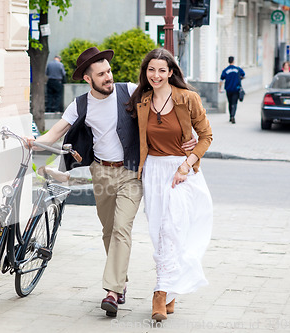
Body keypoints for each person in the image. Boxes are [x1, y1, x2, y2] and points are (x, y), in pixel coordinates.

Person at [29, 47, 196, 318]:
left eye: (109, 71)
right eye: (101, 74)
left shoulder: (129, 90)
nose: (108, 77)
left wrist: (189, 136)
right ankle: (122, 280)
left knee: (121, 229)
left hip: (130, 172)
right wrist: (34, 142)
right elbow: (57, 131)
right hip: (101, 173)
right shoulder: (80, 104)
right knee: (108, 232)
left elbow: (167, 100)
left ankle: (112, 291)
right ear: (88, 79)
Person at [126, 48, 213, 322]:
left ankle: (160, 294)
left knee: (171, 229)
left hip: (181, 172)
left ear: (171, 72)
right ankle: (172, 289)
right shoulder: (141, 100)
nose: (156, 75)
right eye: (151, 69)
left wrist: (186, 164)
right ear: (146, 72)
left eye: (162, 70)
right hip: (153, 170)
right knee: (158, 231)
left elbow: (207, 136)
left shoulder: (188, 99)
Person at [219, 56, 245, 124]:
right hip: (236, 89)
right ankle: (233, 116)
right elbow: (243, 75)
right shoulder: (238, 69)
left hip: (228, 89)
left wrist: (219, 88)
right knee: (234, 103)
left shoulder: (226, 70)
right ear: (233, 61)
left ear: (228, 61)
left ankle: (231, 116)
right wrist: (239, 78)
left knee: (230, 103)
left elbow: (221, 79)